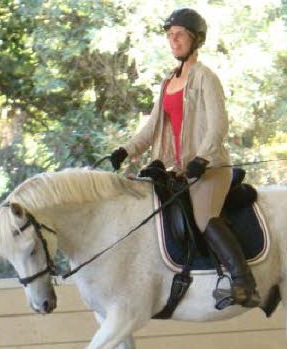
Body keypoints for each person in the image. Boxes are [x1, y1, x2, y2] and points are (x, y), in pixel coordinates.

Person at [109, 8, 260, 309]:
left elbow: (218, 126)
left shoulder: (206, 77)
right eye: (169, 36)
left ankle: (245, 284)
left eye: (179, 35)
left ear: (196, 39)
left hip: (210, 169)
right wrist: (126, 150)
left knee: (204, 219)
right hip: (181, 170)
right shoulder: (168, 82)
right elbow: (152, 128)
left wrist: (202, 159)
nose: (173, 41)